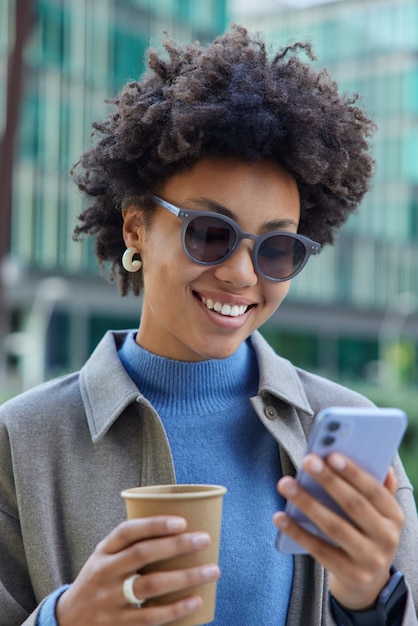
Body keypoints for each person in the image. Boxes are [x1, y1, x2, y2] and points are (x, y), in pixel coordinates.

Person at [0, 23, 417, 626]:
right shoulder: (22, 441)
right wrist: (64, 620)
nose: (242, 273)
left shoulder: (346, 437)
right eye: (210, 234)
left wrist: (370, 600)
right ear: (135, 229)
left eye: (277, 249)